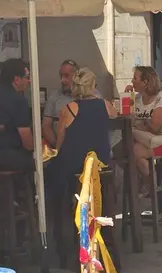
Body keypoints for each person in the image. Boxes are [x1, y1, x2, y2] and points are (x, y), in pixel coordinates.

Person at [45, 67, 116, 199]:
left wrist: (56, 153)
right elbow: (115, 115)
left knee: (51, 168)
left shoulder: (68, 109)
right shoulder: (105, 104)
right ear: (92, 86)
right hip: (100, 159)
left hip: (76, 161)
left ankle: (59, 207)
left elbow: (61, 138)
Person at [124, 65, 162, 197]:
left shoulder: (161, 97)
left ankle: (149, 183)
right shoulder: (136, 99)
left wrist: (139, 124)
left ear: (145, 82)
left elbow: (155, 126)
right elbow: (126, 119)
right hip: (141, 140)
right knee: (119, 151)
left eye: (135, 78)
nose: (132, 81)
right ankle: (145, 177)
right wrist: (126, 97)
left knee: (134, 151)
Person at [0, 59, 35, 172]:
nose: (30, 81)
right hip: (9, 157)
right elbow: (27, 141)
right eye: (27, 77)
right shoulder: (19, 101)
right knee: (47, 163)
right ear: (17, 79)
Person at [41, 59, 79, 146]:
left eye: (67, 76)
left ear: (77, 77)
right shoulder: (54, 96)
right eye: (61, 76)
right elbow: (46, 126)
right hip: (58, 147)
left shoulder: (89, 97)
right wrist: (58, 147)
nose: (62, 80)